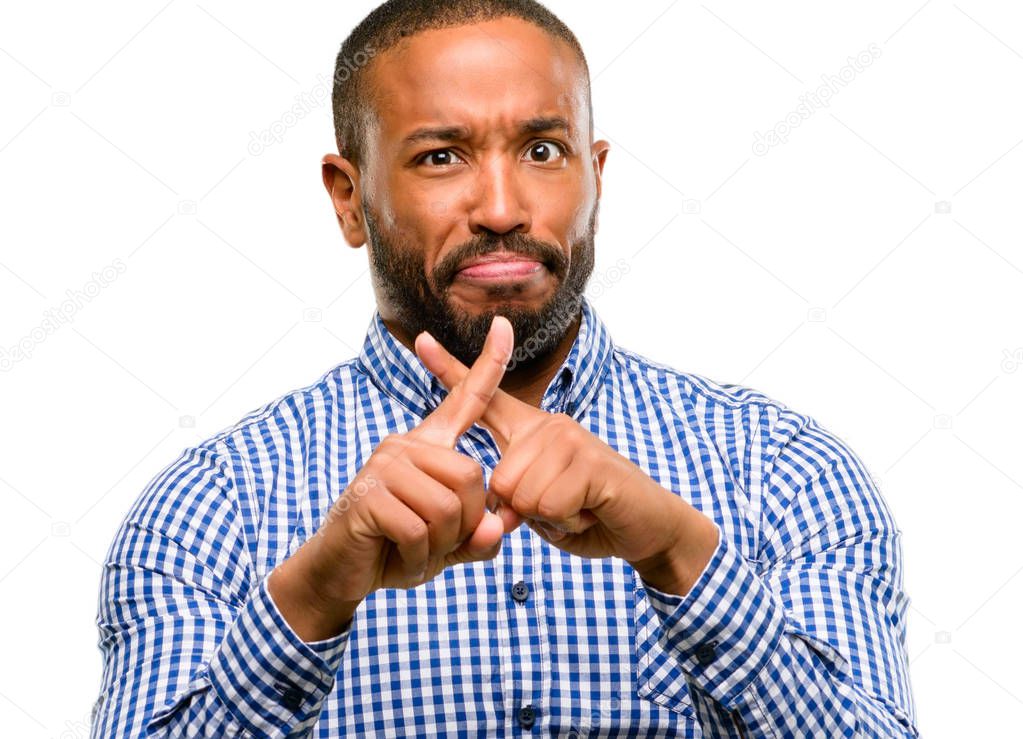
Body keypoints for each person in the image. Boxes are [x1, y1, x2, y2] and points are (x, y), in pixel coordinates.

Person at [90, 1, 919, 736]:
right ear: (348, 198)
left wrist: (681, 553)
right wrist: (310, 599)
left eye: (543, 150)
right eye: (440, 157)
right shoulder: (209, 506)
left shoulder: (783, 470)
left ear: (595, 178)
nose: (500, 208)